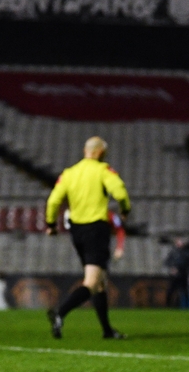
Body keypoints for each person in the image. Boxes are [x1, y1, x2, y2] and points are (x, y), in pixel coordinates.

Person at [45, 136, 131, 340]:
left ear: (85, 151)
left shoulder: (69, 173)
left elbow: (53, 201)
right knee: (92, 282)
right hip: (96, 229)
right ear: (101, 152)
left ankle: (107, 331)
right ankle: (60, 313)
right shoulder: (103, 170)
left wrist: (51, 224)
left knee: (100, 282)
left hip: (77, 231)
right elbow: (120, 193)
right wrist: (125, 209)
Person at [164, 236, 189, 309]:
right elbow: (167, 262)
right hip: (174, 275)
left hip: (184, 274)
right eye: (178, 242)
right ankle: (168, 306)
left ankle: (188, 307)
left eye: (181, 242)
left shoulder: (187, 253)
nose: (179, 243)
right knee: (170, 291)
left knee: (185, 291)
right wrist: (172, 268)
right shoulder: (173, 252)